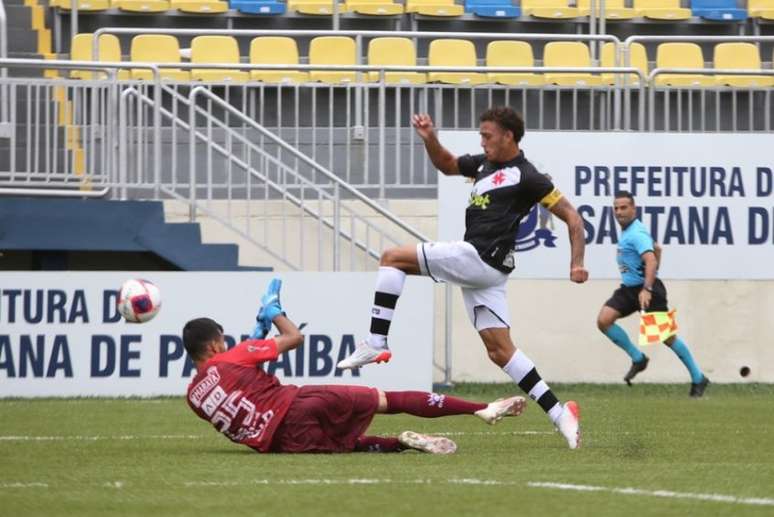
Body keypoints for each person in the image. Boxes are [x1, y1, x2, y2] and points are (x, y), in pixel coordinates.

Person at [336, 106, 589, 449]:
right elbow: (447, 164)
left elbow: (573, 217)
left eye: (487, 136)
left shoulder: (528, 176)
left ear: (508, 136)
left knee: (392, 258)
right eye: (480, 136)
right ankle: (561, 413)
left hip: (479, 257)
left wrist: (576, 263)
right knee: (501, 352)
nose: (482, 142)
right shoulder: (483, 165)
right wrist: (430, 139)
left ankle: (377, 343)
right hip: (488, 275)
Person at [183, 278, 527, 455]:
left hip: (284, 441)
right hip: (299, 403)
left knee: (351, 445)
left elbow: (239, 385)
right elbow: (292, 338)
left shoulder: (194, 398)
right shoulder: (232, 356)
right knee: (386, 400)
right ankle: (481, 409)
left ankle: (402, 445)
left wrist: (253, 340)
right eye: (223, 341)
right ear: (214, 344)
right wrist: (274, 313)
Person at [596, 191, 709, 397]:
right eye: (616, 208)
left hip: (647, 290)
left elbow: (650, 259)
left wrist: (647, 289)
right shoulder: (631, 231)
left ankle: (698, 378)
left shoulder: (636, 233)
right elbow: (656, 251)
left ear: (633, 209)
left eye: (624, 207)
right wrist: (656, 257)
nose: (619, 212)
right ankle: (638, 359)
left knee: (666, 337)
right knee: (604, 320)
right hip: (630, 289)